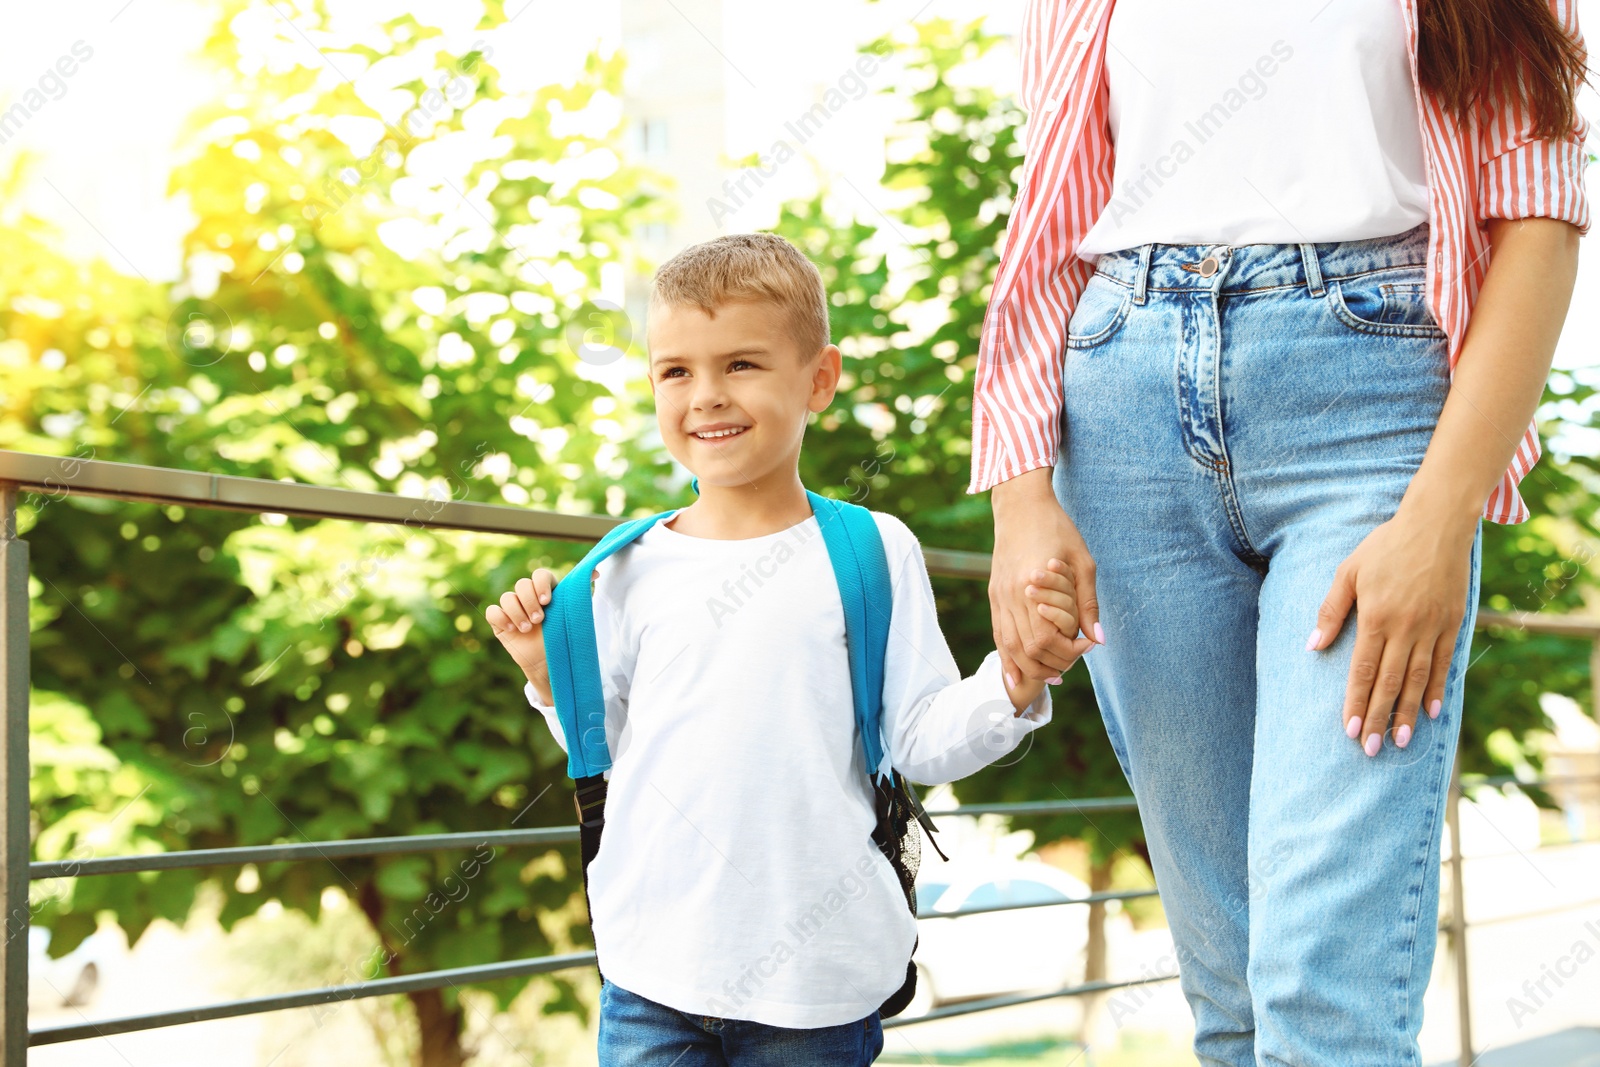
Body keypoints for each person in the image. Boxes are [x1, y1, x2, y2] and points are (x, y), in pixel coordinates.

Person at [977, 1, 1589, 1063]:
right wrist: (1019, 494)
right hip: (1119, 397)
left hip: (1371, 405)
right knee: (1233, 986)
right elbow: (1047, 221)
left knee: (1323, 992)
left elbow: (1535, 217)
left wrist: (1440, 516)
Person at [486, 233, 1074, 1065]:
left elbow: (917, 740)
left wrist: (1013, 681)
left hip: (818, 985)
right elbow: (610, 751)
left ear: (820, 380)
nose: (706, 397)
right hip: (653, 976)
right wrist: (550, 677)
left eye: (743, 365)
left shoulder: (872, 550)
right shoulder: (613, 573)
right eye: (676, 371)